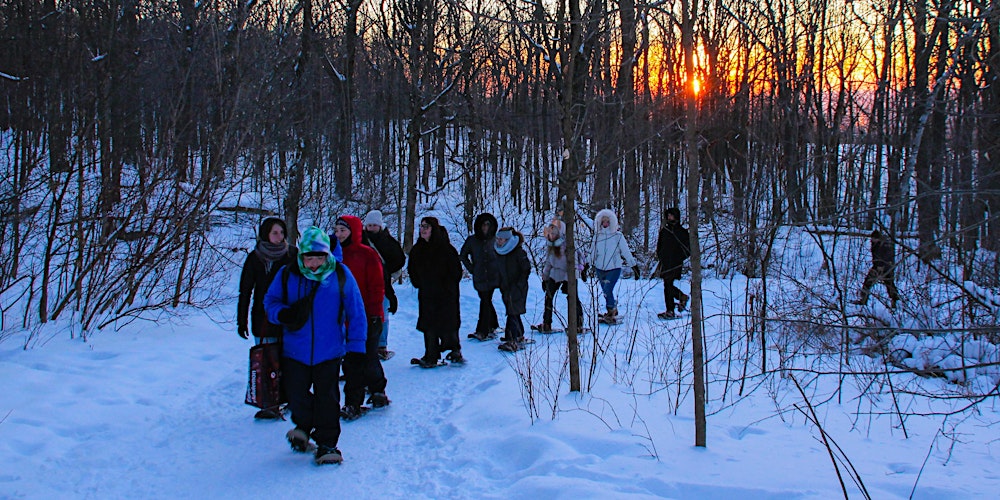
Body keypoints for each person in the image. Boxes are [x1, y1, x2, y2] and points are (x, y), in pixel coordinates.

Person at [263, 226, 367, 465]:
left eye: (318, 257)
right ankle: (304, 425)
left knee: (327, 399)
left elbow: (356, 311)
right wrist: (283, 314)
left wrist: (357, 347)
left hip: (329, 351)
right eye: (309, 257)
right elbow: (270, 301)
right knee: (296, 395)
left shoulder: (340, 275)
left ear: (326, 256)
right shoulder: (287, 274)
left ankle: (327, 444)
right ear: (301, 256)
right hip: (294, 350)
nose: (313, 263)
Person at [236, 217, 297, 420]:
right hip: (262, 317)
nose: (279, 237)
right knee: (266, 360)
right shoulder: (256, 257)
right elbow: (245, 290)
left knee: (287, 360)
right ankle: (269, 402)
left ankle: (288, 398)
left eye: (281, 232)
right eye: (274, 233)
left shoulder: (291, 255)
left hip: (287, 314)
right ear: (265, 235)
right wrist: (241, 319)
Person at [333, 215, 389, 420]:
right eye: (337, 230)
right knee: (351, 362)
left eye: (343, 231)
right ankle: (353, 402)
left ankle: (376, 390)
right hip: (341, 318)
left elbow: (377, 286)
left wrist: (375, 314)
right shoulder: (332, 256)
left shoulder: (367, 254)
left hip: (366, 316)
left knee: (368, 357)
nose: (339, 235)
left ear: (354, 231)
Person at [407, 217, 464, 367]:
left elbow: (456, 271)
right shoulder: (417, 249)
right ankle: (430, 355)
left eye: (426, 226)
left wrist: (447, 286)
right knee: (429, 324)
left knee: (449, 322)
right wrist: (418, 282)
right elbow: (411, 268)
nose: (423, 229)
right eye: (421, 226)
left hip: (446, 294)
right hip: (427, 293)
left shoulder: (446, 248)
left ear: (434, 229)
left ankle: (454, 350)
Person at [362, 210, 406, 360]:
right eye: (369, 225)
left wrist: (389, 276)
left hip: (383, 284)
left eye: (375, 225)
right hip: (364, 283)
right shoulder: (360, 240)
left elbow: (399, 260)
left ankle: (381, 345)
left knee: (382, 315)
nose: (372, 228)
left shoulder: (388, 242)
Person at [533, 218, 585, 332]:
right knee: (548, 296)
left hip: (569, 274)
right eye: (550, 233)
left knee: (573, 298)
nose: (551, 236)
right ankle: (546, 323)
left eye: (553, 233)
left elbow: (576, 262)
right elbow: (548, 263)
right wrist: (545, 278)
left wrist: (569, 280)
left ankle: (577, 324)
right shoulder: (551, 246)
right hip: (555, 274)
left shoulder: (568, 245)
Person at [589, 209, 639, 324]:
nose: (605, 224)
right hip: (600, 268)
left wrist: (634, 266)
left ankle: (611, 310)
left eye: (607, 221)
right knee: (605, 291)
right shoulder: (597, 236)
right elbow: (592, 252)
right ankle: (612, 308)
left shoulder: (618, 236)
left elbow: (625, 252)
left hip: (614, 268)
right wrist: (587, 264)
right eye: (603, 221)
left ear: (612, 222)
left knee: (608, 289)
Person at [459, 212, 501, 340]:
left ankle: (482, 330)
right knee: (486, 300)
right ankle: (493, 324)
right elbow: (463, 255)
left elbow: (503, 254)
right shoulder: (472, 240)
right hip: (479, 276)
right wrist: (472, 269)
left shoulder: (496, 239)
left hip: (494, 276)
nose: (485, 228)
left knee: (486, 300)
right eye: (483, 225)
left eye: (488, 225)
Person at [494, 227, 531, 352]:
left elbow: (526, 269)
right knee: (512, 310)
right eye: (497, 239)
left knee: (513, 311)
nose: (498, 241)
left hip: (518, 287)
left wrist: (519, 285)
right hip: (506, 287)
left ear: (508, 240)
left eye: (501, 239)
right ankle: (518, 334)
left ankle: (513, 338)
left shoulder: (518, 252)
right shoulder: (499, 252)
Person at [655, 207, 691, 319]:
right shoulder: (664, 231)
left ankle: (671, 309)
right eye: (668, 215)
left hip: (676, 262)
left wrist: (680, 258)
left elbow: (688, 249)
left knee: (667, 284)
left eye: (672, 215)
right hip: (665, 262)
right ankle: (680, 298)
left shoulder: (682, 232)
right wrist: (660, 256)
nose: (670, 217)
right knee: (667, 284)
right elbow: (659, 246)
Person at [852, 229, 901, 308]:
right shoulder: (875, 244)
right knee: (868, 282)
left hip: (885, 268)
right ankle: (863, 299)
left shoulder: (884, 245)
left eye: (873, 238)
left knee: (889, 284)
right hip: (877, 266)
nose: (872, 240)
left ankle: (895, 301)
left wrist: (882, 266)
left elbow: (887, 257)